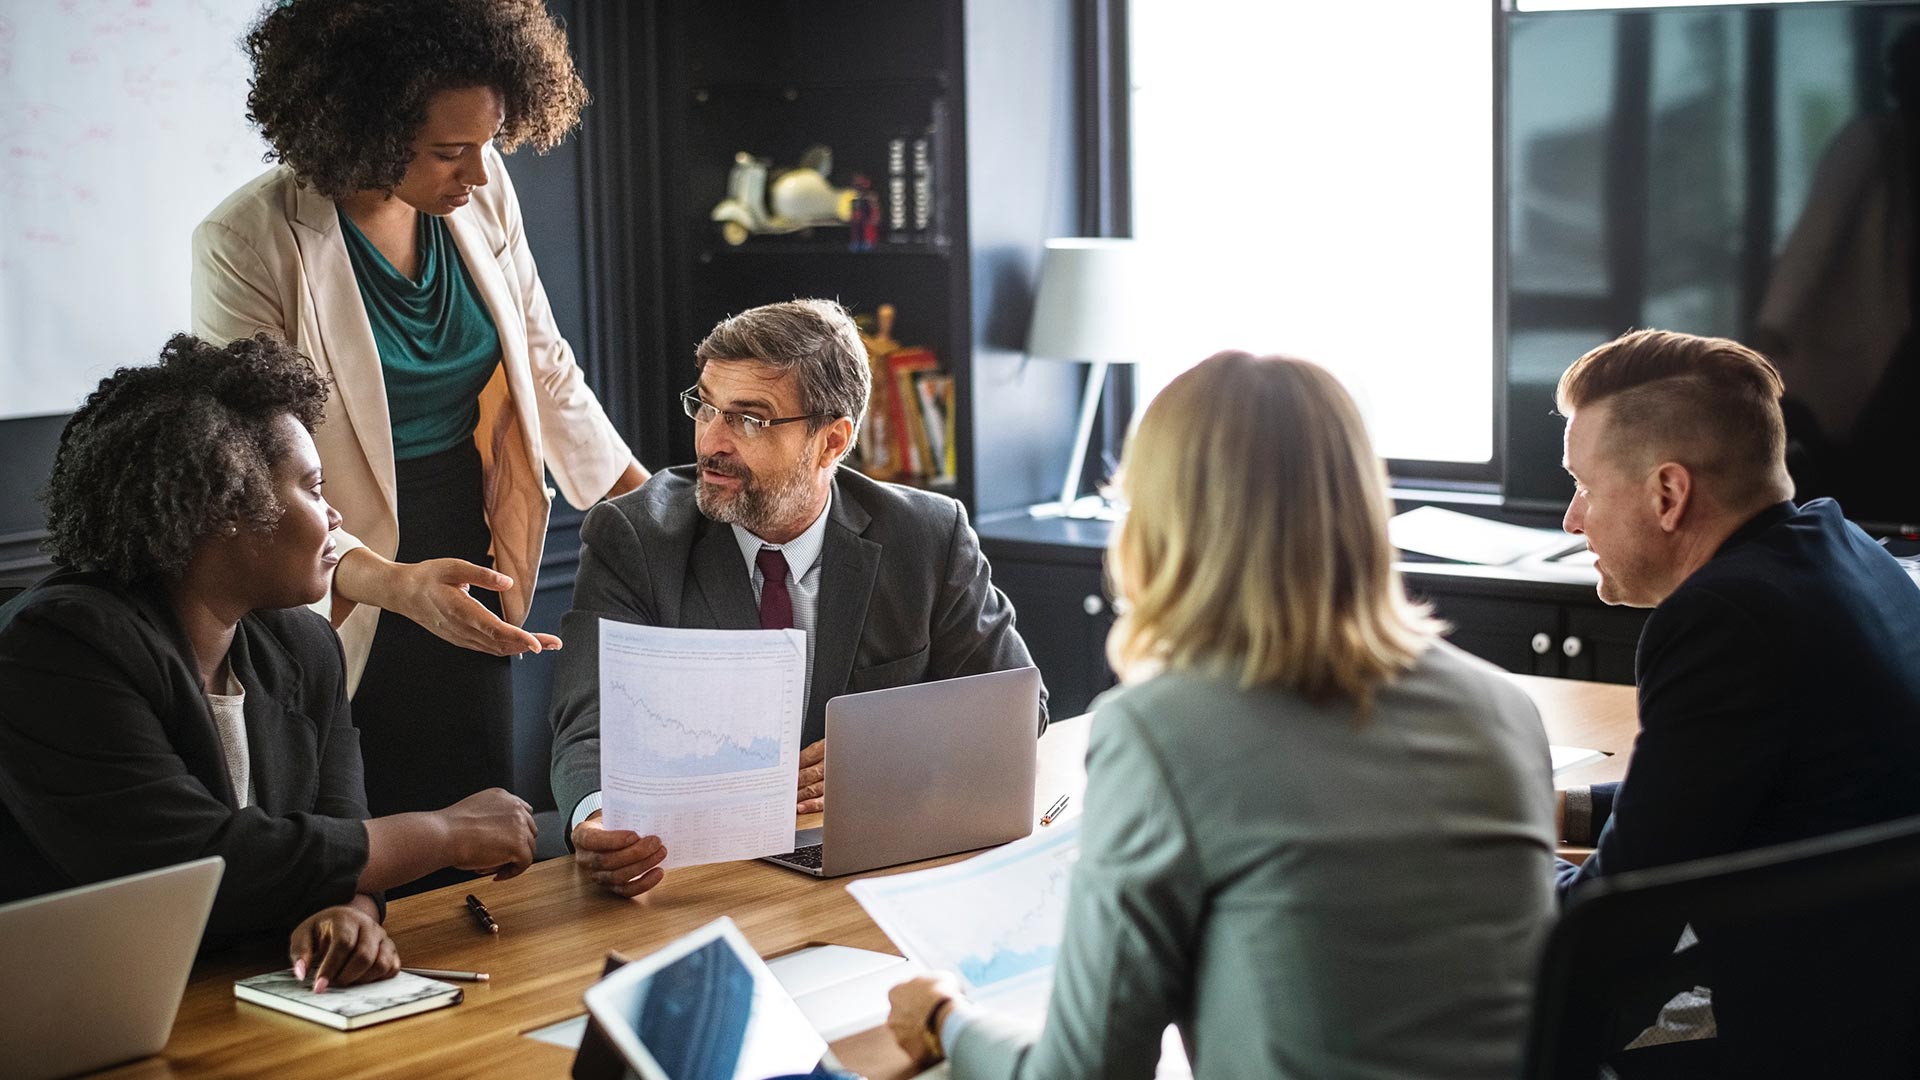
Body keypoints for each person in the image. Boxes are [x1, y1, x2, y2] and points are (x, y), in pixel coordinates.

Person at [884, 351, 1557, 1079]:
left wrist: (948, 1022)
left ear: (1160, 523)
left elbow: (1082, 1073)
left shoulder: (1161, 731)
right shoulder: (1504, 707)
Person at [191, 0, 648, 826]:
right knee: (362, 821)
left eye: (488, 144)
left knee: (474, 809)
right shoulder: (246, 241)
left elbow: (545, 365)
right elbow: (255, 467)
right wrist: (392, 584)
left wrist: (651, 512)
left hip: (463, 533)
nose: (478, 175)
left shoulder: (480, 190)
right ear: (364, 124)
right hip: (325, 555)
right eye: (449, 152)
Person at [0, 334, 538, 991]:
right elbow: (196, 867)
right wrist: (444, 835)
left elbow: (339, 841)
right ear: (225, 509)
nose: (334, 515)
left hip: (253, 1003)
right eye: (312, 487)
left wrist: (349, 914)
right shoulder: (59, 647)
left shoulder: (303, 646)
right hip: (79, 1009)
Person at [548, 300, 1046, 897]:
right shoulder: (634, 537)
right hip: (696, 877)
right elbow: (588, 719)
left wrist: (877, 756)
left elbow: (1017, 707)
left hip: (868, 870)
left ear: (831, 440)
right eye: (705, 406)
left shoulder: (926, 537)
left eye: (749, 419)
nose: (713, 441)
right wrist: (597, 816)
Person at [1553, 328, 1920, 1074]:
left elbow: (1621, 919)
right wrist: (1564, 809)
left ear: (1668, 492)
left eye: (1585, 487)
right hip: (1880, 989)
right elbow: (1727, 789)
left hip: (1797, 1028)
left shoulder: (1725, 618)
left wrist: (1484, 871)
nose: (1572, 519)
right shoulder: (1846, 551)